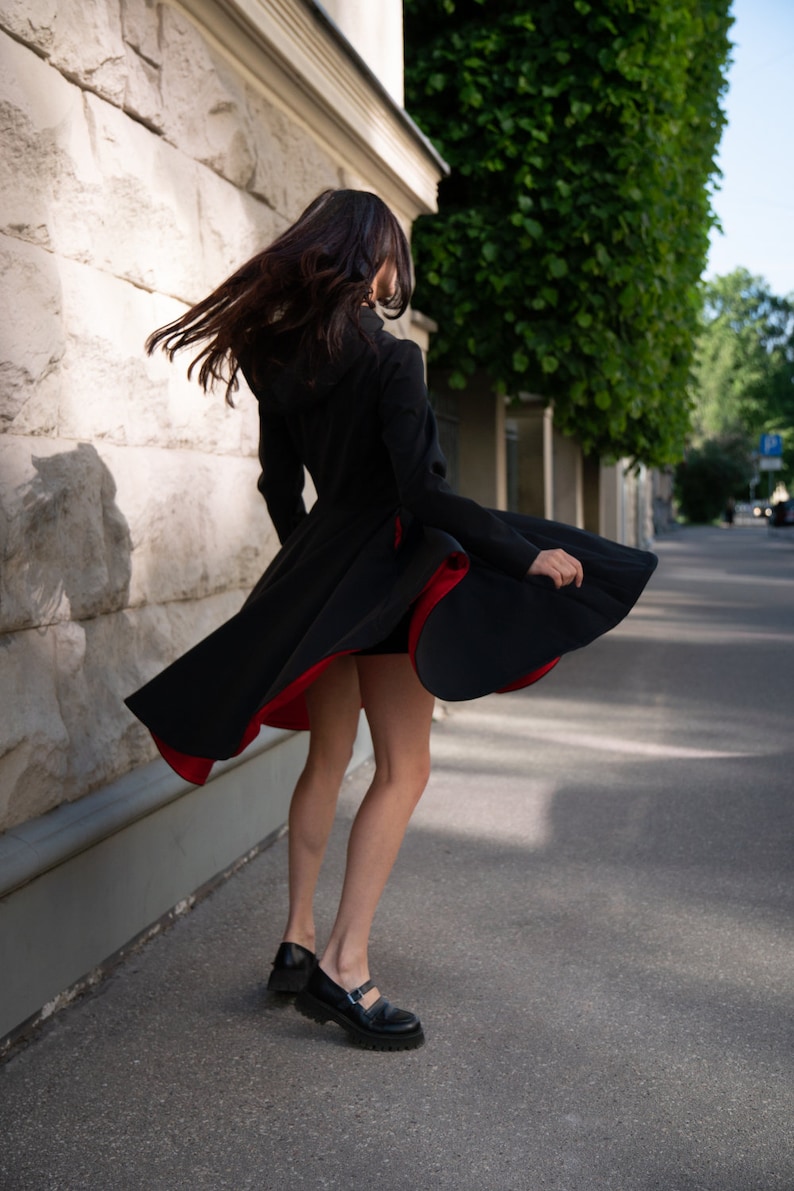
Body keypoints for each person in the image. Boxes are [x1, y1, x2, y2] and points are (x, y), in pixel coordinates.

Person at [126, 189, 657, 1052]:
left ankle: (297, 942)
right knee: (404, 768)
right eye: (392, 257)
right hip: (391, 575)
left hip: (329, 571)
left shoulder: (278, 358)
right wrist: (521, 553)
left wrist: (316, 569)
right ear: (374, 258)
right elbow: (423, 494)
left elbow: (275, 486)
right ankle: (347, 963)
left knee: (328, 758)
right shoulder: (390, 358)